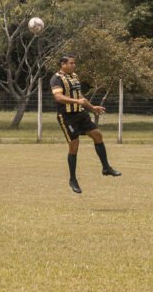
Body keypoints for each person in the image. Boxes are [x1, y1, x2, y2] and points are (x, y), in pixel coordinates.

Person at [50, 55, 120, 194]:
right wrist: (77, 102)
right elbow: (58, 97)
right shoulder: (56, 79)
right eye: (71, 63)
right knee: (74, 146)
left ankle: (106, 168)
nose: (74, 65)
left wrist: (92, 108)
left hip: (80, 114)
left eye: (74, 63)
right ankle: (73, 179)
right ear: (63, 64)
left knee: (97, 135)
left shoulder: (74, 76)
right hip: (67, 117)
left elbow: (79, 96)